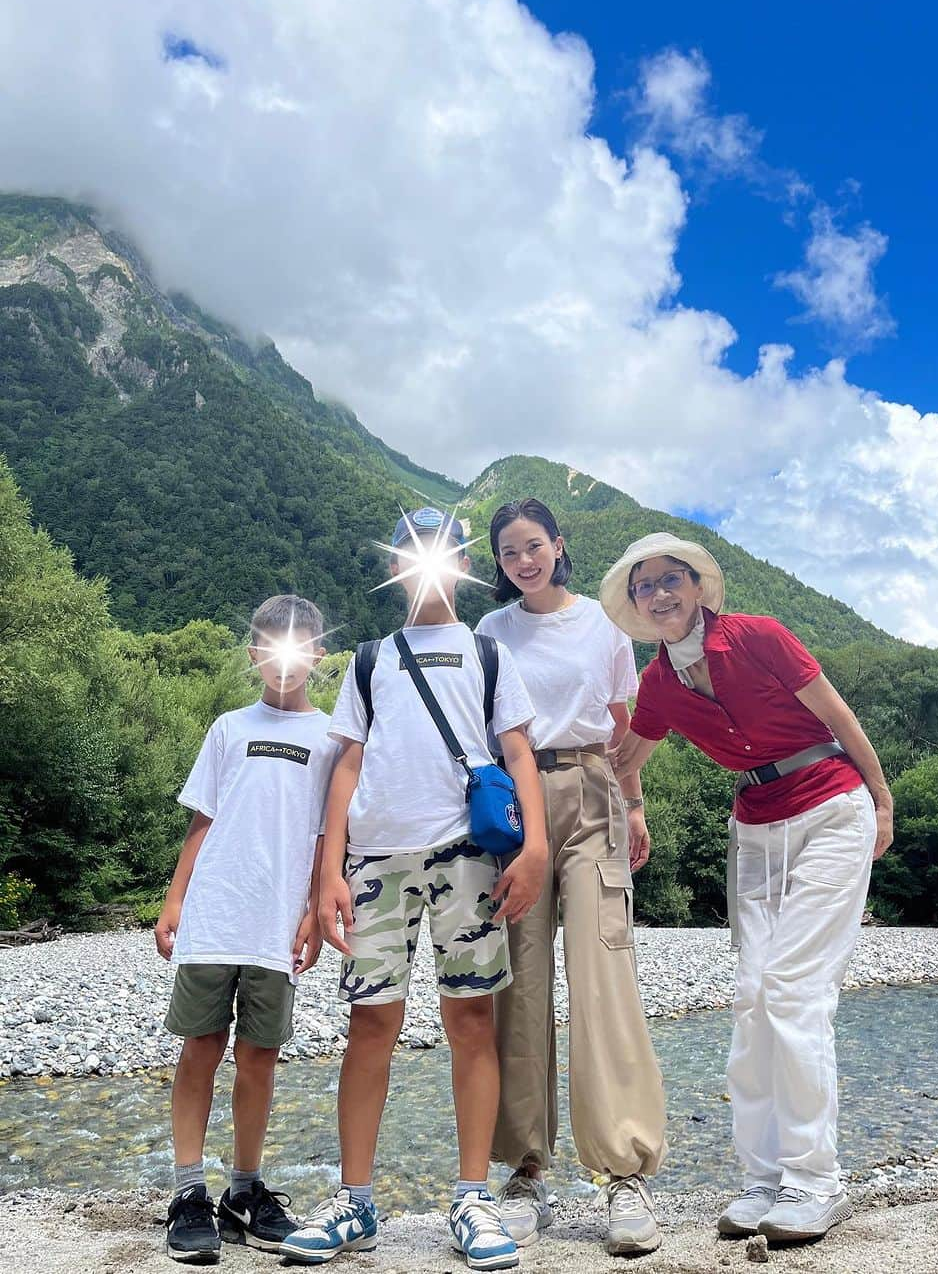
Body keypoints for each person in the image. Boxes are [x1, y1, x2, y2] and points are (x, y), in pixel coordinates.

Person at [602, 533, 893, 1244]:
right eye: (646, 586)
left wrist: (882, 802)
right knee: (753, 997)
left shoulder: (759, 636)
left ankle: (814, 1181)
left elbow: (837, 716)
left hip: (830, 806)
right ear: (637, 605)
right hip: (755, 827)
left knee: (795, 991)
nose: (661, 593)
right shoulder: (660, 683)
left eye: (673, 579)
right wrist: (618, 801)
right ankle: (763, 1178)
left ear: (699, 587)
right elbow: (625, 755)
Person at [280, 507, 548, 1271]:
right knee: (370, 1025)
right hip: (376, 864)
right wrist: (328, 872)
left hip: (466, 854)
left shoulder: (489, 652)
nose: (425, 564)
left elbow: (520, 756)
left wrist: (534, 849)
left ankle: (471, 1198)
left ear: (459, 564)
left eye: (439, 553)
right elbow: (347, 768)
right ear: (398, 566)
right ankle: (354, 1200)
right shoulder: (372, 659)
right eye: (413, 554)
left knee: (470, 1021)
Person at [476, 499, 667, 1257]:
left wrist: (636, 804)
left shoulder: (605, 624)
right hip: (516, 808)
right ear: (498, 564)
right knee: (517, 985)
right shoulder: (490, 632)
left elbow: (620, 725)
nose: (523, 561)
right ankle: (526, 1172)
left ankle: (624, 1172)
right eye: (508, 553)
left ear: (559, 546)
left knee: (602, 974)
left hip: (592, 796)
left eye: (533, 546)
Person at [154, 594, 336, 1264]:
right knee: (201, 1045)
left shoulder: (330, 738)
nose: (283, 657)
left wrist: (315, 909)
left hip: (277, 921)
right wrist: (175, 899)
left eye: (298, 645)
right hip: (215, 913)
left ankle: (245, 1190)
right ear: (255, 651)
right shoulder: (229, 727)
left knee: (259, 1057)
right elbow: (202, 819)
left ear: (318, 653)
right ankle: (188, 1192)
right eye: (269, 643)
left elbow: (326, 836)